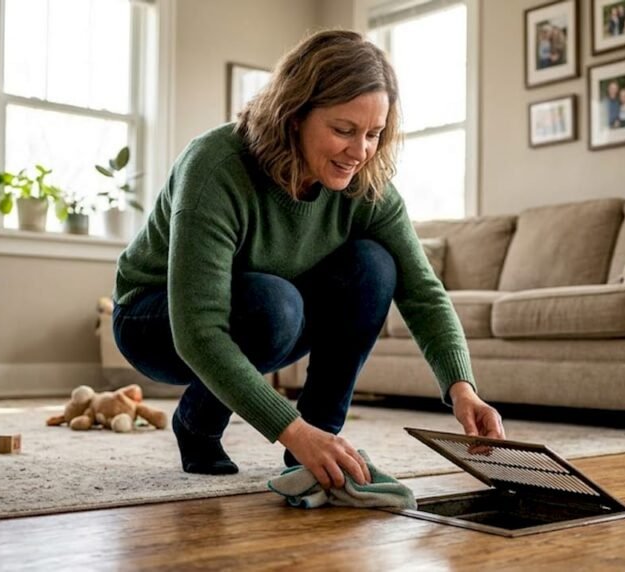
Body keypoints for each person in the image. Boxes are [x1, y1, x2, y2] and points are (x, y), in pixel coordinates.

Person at [111, 30, 506, 490]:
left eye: (373, 134)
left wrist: (463, 390)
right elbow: (198, 331)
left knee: (374, 265)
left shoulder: (367, 185)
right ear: (294, 115)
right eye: (344, 131)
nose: (360, 152)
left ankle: (322, 442)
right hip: (153, 320)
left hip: (271, 311)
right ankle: (197, 425)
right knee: (273, 304)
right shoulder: (216, 166)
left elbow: (423, 291)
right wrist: (291, 429)